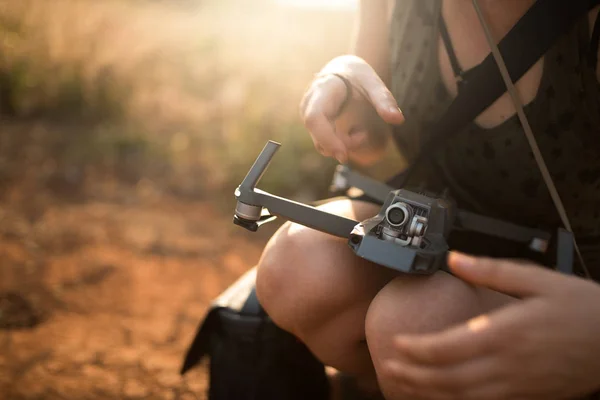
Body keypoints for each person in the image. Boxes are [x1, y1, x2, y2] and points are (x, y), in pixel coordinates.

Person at [255, 1, 600, 399]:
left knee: (414, 323)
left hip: (576, 282)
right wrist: (344, 82)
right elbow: (372, 141)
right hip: (441, 226)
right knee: (296, 265)